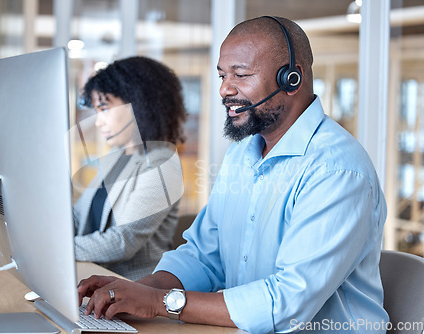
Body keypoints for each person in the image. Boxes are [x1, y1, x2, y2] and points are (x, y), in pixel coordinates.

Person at [77, 16, 389, 334]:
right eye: (223, 75)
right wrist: (135, 292)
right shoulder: (242, 154)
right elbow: (204, 255)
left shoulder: (337, 171)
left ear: (291, 79)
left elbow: (286, 301)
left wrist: (161, 302)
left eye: (241, 75)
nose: (225, 89)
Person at [72, 56, 186, 281]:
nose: (98, 121)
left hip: (134, 290)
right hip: (91, 278)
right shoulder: (117, 156)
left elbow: (122, 242)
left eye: (104, 109)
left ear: (138, 104)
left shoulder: (162, 163)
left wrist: (51, 248)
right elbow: (78, 217)